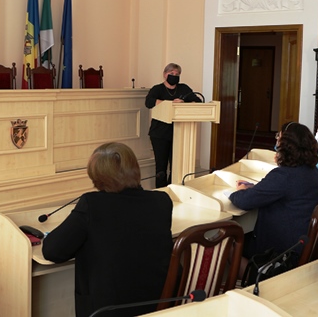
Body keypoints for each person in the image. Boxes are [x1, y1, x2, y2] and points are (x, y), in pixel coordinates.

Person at [42, 142, 173, 317]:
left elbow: (52, 251)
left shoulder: (92, 205)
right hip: (156, 307)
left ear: (97, 176)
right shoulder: (162, 201)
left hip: (105, 310)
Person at [228, 121, 318, 269]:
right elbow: (286, 191)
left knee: (227, 244)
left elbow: (244, 201)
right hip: (302, 244)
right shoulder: (313, 172)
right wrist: (256, 188)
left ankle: (254, 279)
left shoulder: (284, 175)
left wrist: (237, 192)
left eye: (278, 139)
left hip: (282, 251)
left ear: (285, 147)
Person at [145, 63, 202, 188]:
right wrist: (169, 103)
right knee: (161, 166)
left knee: (176, 165)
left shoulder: (183, 88)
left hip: (179, 133)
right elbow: (148, 102)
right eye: (171, 74)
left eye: (177, 74)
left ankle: (173, 189)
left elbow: (198, 100)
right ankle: (161, 191)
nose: (174, 76)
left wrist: (184, 102)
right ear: (165, 74)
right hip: (159, 134)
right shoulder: (157, 89)